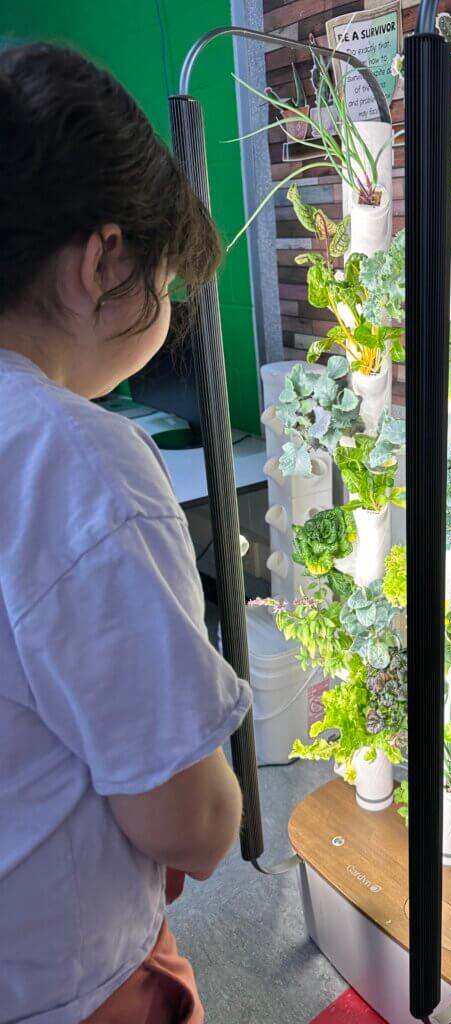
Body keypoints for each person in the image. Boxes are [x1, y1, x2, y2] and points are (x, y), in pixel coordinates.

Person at [0, 44, 252, 1023]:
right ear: (103, 258)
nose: (174, 311)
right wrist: (223, 798)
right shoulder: (78, 458)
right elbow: (189, 820)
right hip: (73, 988)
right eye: (170, 282)